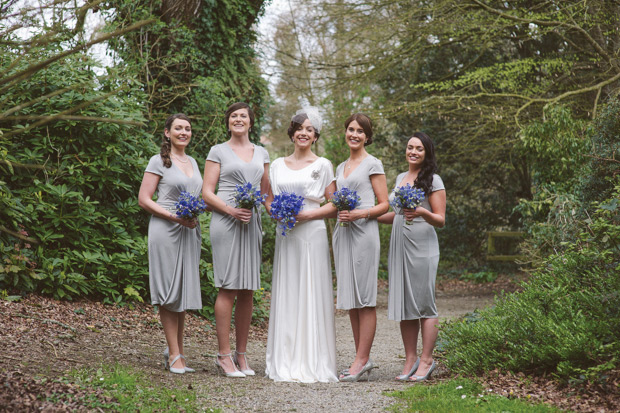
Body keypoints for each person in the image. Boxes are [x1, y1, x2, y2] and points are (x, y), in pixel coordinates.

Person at [265, 107, 338, 383]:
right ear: (292, 133)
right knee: (289, 289)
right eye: (299, 128)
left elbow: (333, 205)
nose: (304, 133)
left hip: (312, 233)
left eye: (309, 129)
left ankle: (313, 360)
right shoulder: (276, 165)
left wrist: (306, 215)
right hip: (287, 234)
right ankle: (284, 358)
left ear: (315, 136)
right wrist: (276, 212)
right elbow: (268, 199)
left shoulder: (324, 165)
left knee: (311, 290)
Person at [202, 102, 270, 378]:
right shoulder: (217, 151)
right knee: (228, 287)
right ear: (228, 122)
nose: (238, 119)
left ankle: (242, 355)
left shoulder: (262, 152)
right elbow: (207, 192)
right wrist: (230, 210)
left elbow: (266, 195)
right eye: (233, 116)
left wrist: (287, 215)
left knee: (248, 289)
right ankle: (224, 355)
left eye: (243, 116)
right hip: (226, 221)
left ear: (251, 123)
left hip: (251, 223)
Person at [377, 132, 446, 382]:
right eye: (410, 147)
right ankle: (410, 359)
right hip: (400, 245)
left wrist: (420, 212)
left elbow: (440, 219)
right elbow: (396, 214)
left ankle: (427, 359)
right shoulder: (400, 178)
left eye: (418, 148)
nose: (413, 152)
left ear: (426, 152)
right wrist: (367, 215)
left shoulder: (433, 179)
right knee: (405, 303)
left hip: (423, 245)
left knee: (424, 302)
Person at [138, 113, 203, 374]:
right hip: (166, 229)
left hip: (189, 232)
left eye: (187, 128)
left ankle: (177, 352)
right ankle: (175, 355)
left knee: (182, 291)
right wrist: (174, 216)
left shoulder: (194, 162)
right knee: (168, 291)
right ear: (167, 133)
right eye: (178, 128)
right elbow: (144, 199)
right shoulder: (158, 161)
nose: (183, 132)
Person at [332, 114, 389, 382]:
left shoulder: (372, 163)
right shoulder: (340, 166)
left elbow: (384, 204)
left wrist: (360, 214)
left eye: (359, 131)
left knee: (365, 298)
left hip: (364, 233)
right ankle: (360, 359)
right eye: (350, 129)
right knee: (352, 300)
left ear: (367, 136)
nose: (354, 134)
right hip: (342, 234)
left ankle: (361, 359)